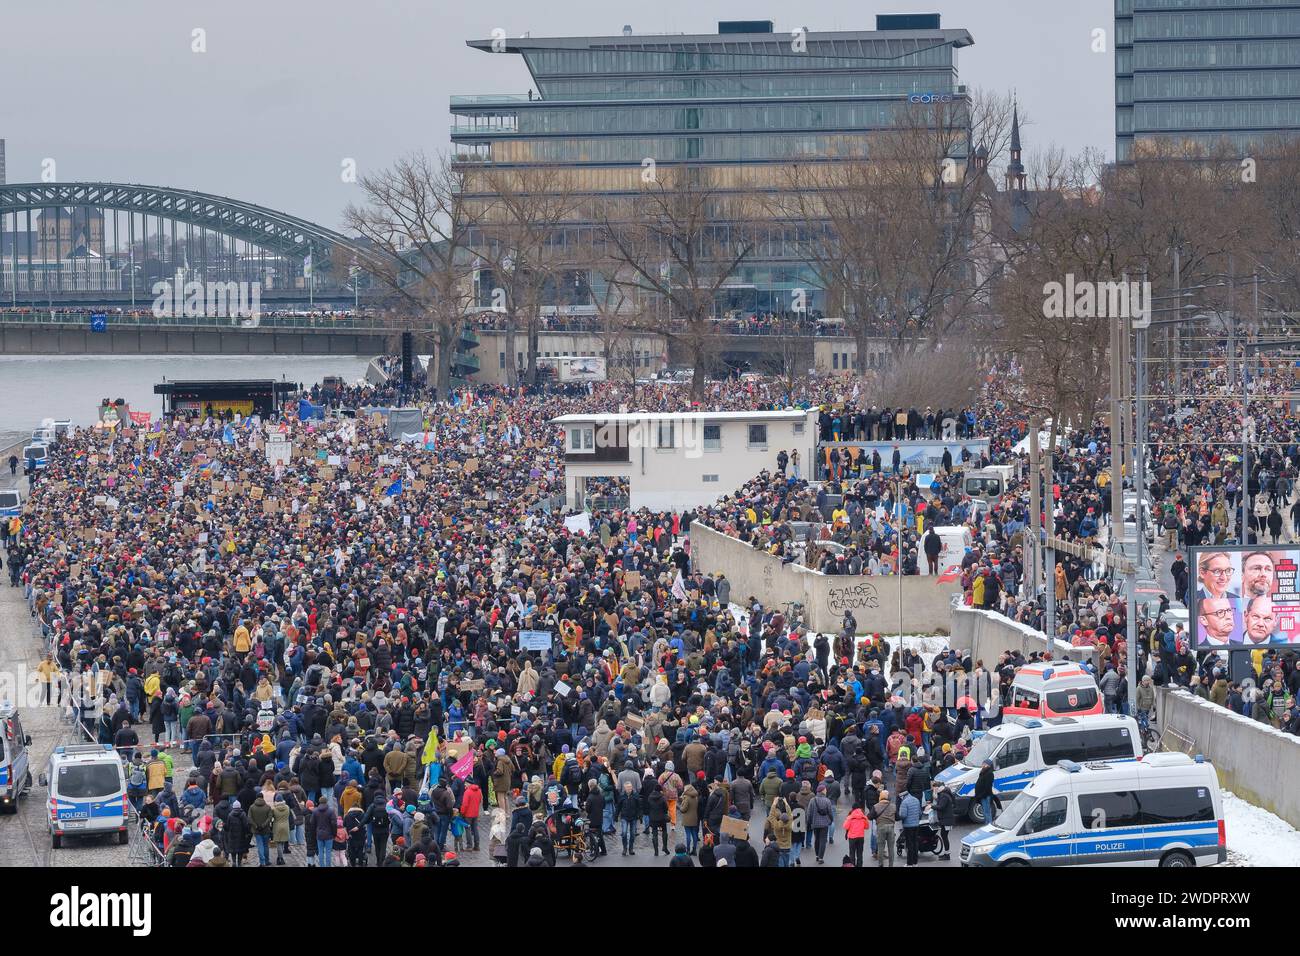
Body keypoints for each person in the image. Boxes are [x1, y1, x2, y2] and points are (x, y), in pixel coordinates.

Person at [868, 789, 895, 867]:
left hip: (881, 827)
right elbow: (897, 817)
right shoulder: (893, 806)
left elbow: (869, 817)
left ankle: (881, 864)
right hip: (891, 827)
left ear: (880, 797)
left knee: (880, 847)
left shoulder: (876, 806)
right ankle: (891, 865)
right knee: (891, 848)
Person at [899, 788, 922, 867]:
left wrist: (900, 816)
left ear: (903, 796)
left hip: (908, 826)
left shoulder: (904, 802)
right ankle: (915, 863)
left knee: (909, 845)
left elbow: (903, 815)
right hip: (916, 825)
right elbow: (920, 813)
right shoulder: (916, 800)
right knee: (915, 844)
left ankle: (909, 863)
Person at [842, 801, 869, 867]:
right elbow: (867, 827)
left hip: (852, 838)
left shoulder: (850, 817)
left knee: (852, 853)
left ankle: (852, 865)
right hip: (860, 837)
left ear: (853, 808)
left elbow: (845, 826)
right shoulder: (863, 817)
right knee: (860, 853)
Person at [973, 759, 995, 826]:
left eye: (984, 764)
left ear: (988, 765)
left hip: (985, 796)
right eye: (983, 763)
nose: (983, 765)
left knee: (987, 812)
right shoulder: (983, 772)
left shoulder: (989, 773)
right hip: (982, 795)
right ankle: (987, 823)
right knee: (985, 811)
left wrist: (982, 795)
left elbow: (988, 787)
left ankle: (989, 825)